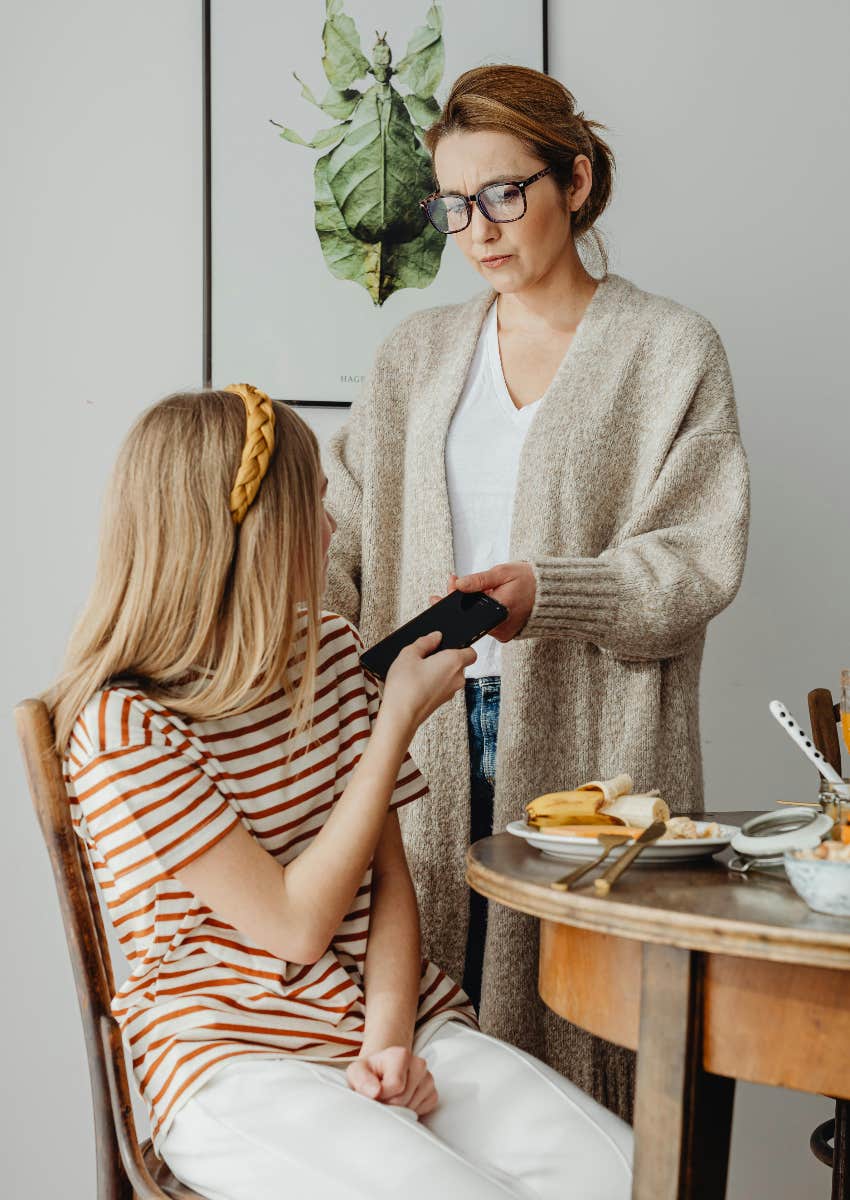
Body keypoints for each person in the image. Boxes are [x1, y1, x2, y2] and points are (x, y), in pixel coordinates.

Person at [47, 386, 633, 1199]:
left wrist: (389, 1045)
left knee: (632, 1175)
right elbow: (295, 925)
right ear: (246, 534)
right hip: (233, 1060)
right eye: (311, 505)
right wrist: (396, 722)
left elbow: (390, 882)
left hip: (386, 1017)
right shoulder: (125, 727)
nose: (331, 529)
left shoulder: (328, 650)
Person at [324, 64, 750, 1119]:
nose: (478, 229)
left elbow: (694, 562)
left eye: (504, 194)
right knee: (424, 1041)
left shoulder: (669, 350)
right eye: (453, 205)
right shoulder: (414, 356)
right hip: (415, 733)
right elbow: (336, 539)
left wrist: (547, 591)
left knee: (582, 1048)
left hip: (594, 752)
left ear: (577, 179)